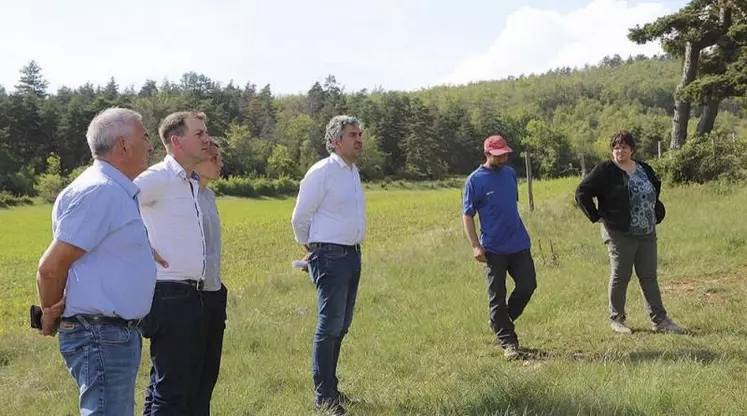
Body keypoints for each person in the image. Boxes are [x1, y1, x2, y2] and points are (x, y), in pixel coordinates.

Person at [36, 107, 157, 415]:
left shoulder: (111, 190)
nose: (151, 145)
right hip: (102, 335)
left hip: (112, 334)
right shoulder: (100, 192)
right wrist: (50, 314)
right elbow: (51, 268)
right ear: (123, 145)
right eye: (144, 137)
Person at [135, 111, 211, 414]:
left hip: (188, 293)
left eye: (206, 133)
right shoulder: (158, 177)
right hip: (169, 294)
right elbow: (115, 202)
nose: (206, 139)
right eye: (199, 134)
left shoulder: (188, 181)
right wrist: (140, 241)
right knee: (172, 387)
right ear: (177, 141)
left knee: (166, 383)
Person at [575, 130, 686, 335]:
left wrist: (652, 210)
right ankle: (617, 319)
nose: (620, 151)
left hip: (646, 231)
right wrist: (597, 216)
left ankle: (660, 320)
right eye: (616, 147)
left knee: (649, 277)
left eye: (624, 147)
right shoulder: (605, 170)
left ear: (632, 149)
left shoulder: (643, 168)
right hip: (619, 232)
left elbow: (655, 187)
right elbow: (582, 192)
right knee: (621, 275)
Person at [291, 115, 366, 415]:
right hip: (331, 256)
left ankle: (332, 390)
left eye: (360, 134)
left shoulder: (352, 171)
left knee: (341, 325)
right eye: (352, 135)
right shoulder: (321, 172)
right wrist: (312, 248)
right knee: (329, 325)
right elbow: (300, 217)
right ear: (335, 141)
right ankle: (324, 398)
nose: (359, 139)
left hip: (352, 254)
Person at [462, 134, 537, 360]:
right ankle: (509, 342)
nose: (503, 157)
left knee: (528, 285)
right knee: (497, 296)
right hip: (493, 248)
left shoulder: (511, 174)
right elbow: (467, 215)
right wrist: (475, 246)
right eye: (498, 155)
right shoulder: (475, 181)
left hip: (519, 243)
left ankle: (499, 320)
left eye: (505, 153)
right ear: (487, 154)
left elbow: (510, 205)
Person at [192, 139, 228, 415]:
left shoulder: (209, 196)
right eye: (213, 157)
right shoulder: (183, 194)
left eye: (220, 158)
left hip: (215, 290)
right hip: (190, 294)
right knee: (182, 375)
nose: (219, 162)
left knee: (207, 372)